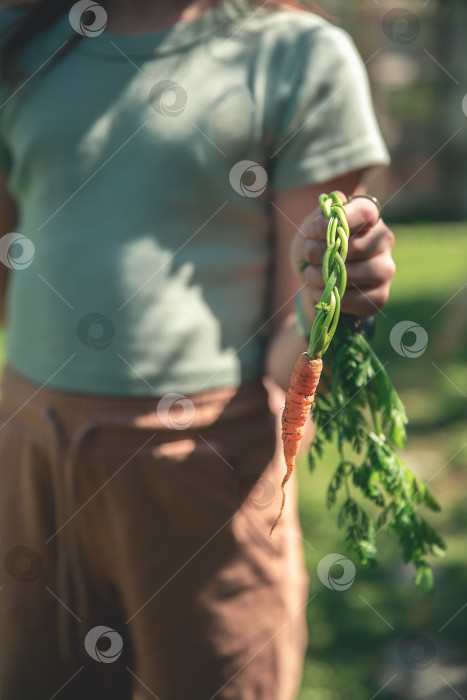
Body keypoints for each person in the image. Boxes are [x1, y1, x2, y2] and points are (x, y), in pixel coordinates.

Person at [0, 0, 395, 698]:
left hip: (203, 475)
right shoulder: (23, 41)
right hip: (29, 462)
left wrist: (336, 307)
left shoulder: (294, 56)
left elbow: (289, 350)